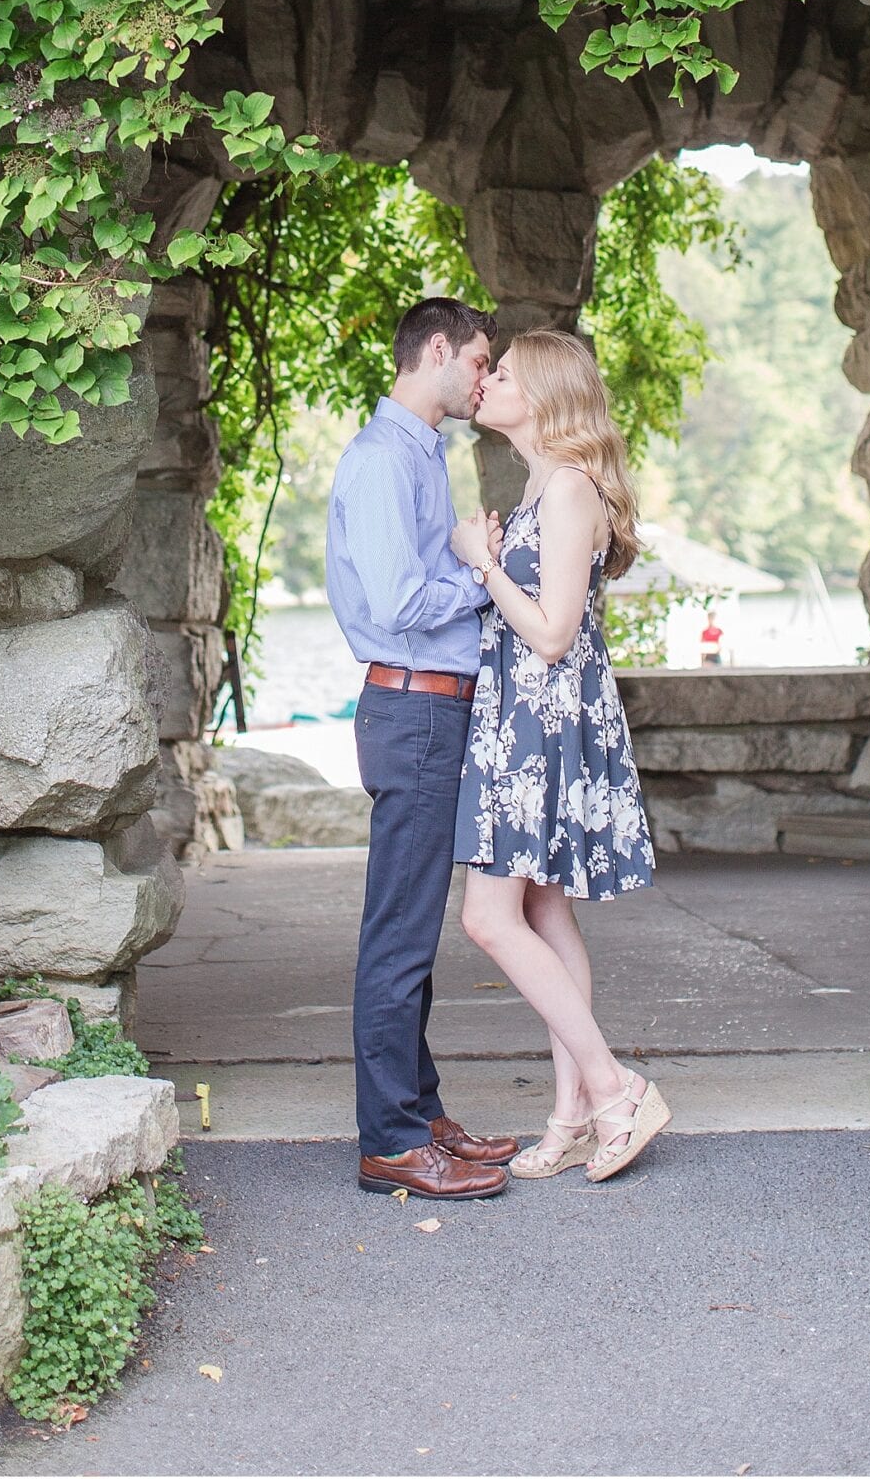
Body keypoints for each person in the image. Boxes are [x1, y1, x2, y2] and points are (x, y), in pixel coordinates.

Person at [449, 329, 667, 1185]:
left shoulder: (570, 487)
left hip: (539, 723)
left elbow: (549, 634)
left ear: (539, 397)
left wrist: (483, 567)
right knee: (541, 913)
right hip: (521, 722)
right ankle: (572, 1111)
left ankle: (616, 1089)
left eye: (501, 374)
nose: (487, 383)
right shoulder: (543, 483)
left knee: (488, 918)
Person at [326, 297, 520, 1200]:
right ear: (435, 351)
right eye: (479, 360)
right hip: (411, 711)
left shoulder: (419, 454)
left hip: (431, 709)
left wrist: (469, 564)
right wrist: (483, 580)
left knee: (414, 934)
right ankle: (391, 1141)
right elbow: (403, 604)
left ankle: (421, 1113)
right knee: (398, 935)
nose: (484, 379)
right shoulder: (379, 462)